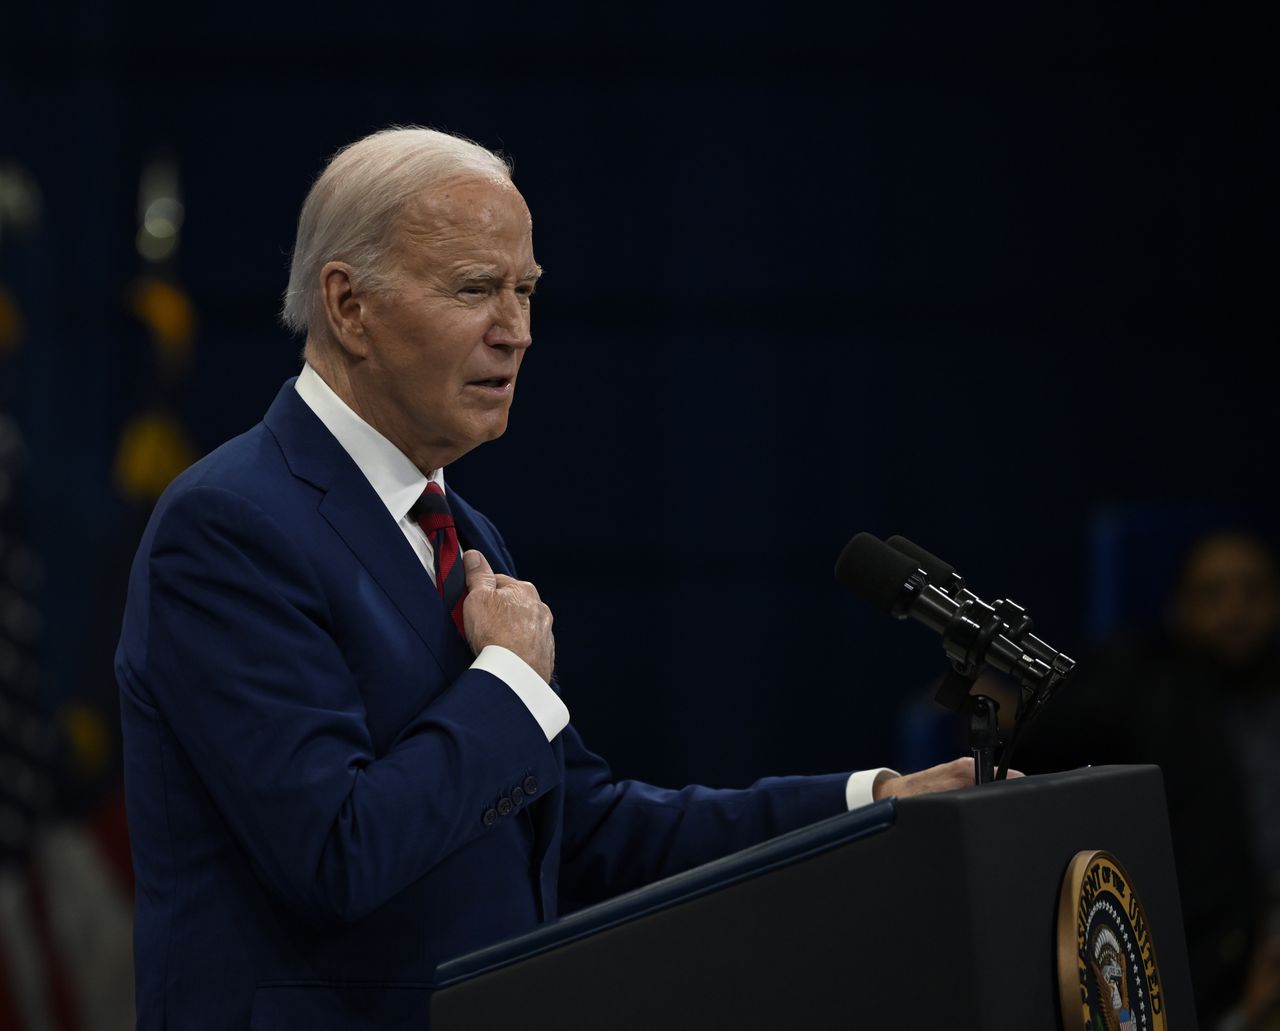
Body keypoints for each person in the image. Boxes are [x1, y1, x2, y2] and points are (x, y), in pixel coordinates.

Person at [115, 127, 976, 1030]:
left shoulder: (462, 533)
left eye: (525, 290)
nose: (517, 331)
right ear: (349, 305)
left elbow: (585, 831)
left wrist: (867, 805)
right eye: (474, 289)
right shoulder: (229, 527)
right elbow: (339, 852)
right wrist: (508, 680)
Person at [1021, 530, 1280, 1029]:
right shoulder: (1140, 685)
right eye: (1214, 594)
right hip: (1205, 954)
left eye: (1254, 591)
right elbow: (1041, 745)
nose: (1237, 610)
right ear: (1178, 609)